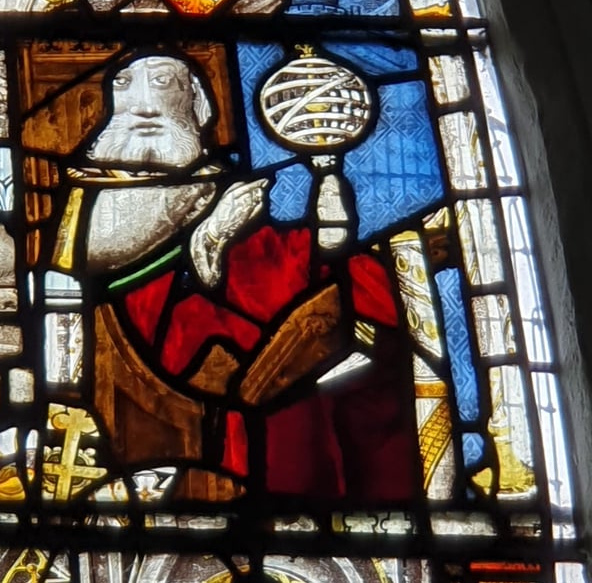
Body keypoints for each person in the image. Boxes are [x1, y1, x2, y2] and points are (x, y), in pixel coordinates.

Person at [51, 53, 417, 503]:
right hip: (163, 348)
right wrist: (210, 237)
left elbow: (270, 261)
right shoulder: (91, 187)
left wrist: (324, 226)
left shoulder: (223, 180)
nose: (143, 104)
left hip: (253, 344)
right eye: (124, 84)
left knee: (360, 320)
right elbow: (95, 274)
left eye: (164, 82)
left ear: (197, 105)